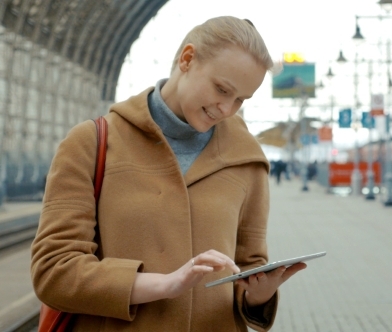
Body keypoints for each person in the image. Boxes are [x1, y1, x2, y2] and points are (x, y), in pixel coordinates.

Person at [30, 16, 306, 331]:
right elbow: (55, 272)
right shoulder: (91, 143)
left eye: (241, 99)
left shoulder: (247, 159)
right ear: (187, 59)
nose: (227, 109)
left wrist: (257, 295)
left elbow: (249, 265)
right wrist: (163, 285)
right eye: (221, 89)